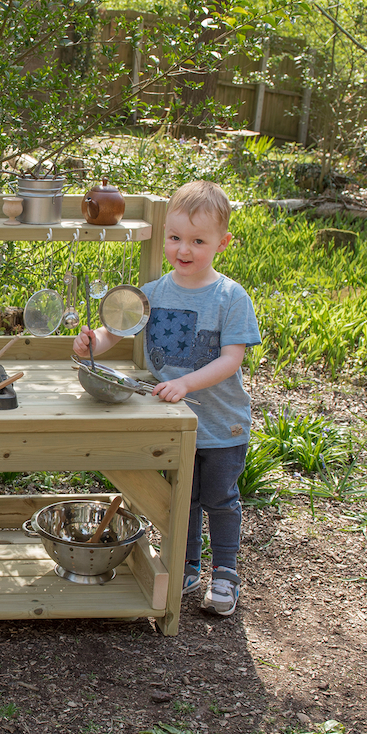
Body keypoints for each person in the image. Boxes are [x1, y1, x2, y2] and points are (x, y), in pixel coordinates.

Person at [73, 180, 260, 616]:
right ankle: (186, 563)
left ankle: (226, 572)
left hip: (221, 424)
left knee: (219, 498)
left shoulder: (230, 297)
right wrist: (90, 344)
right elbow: (115, 330)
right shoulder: (153, 292)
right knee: (183, 498)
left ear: (222, 243)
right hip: (175, 423)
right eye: (175, 238)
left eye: (198, 241)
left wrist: (187, 384)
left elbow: (231, 359)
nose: (184, 249)